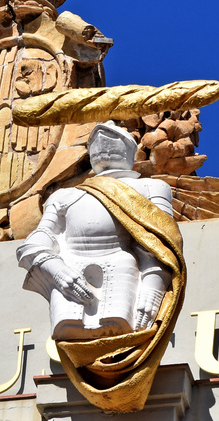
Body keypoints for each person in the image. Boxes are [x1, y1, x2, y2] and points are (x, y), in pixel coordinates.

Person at [17, 122, 175, 340]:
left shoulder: (151, 188)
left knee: (122, 331)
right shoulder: (64, 196)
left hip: (122, 269)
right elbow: (35, 243)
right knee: (69, 332)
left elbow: (160, 244)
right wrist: (58, 271)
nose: (103, 142)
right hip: (69, 274)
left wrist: (152, 288)